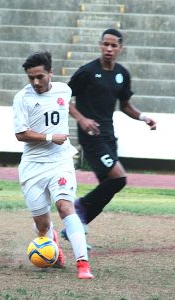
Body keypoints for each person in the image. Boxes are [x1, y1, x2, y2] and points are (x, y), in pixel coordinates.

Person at [61, 28, 157, 239]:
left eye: (114, 45)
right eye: (106, 44)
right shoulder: (87, 71)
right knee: (119, 179)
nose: (109, 48)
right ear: (100, 45)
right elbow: (64, 98)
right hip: (92, 137)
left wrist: (143, 117)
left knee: (110, 185)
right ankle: (78, 211)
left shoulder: (122, 74)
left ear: (121, 48)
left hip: (109, 136)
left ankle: (74, 226)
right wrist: (82, 119)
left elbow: (125, 105)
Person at [13, 51, 93, 279]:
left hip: (60, 161)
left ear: (51, 73)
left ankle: (83, 264)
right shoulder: (22, 98)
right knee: (41, 225)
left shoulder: (64, 90)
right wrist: (50, 137)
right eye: (31, 78)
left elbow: (65, 106)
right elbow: (20, 134)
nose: (36, 82)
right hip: (33, 166)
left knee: (65, 206)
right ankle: (52, 246)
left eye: (40, 76)